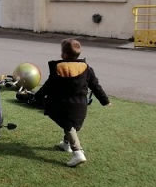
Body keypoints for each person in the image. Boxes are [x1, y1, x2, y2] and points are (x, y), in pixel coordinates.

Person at [33, 38, 111, 167]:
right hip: (80, 104)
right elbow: (95, 86)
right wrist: (105, 100)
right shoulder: (86, 68)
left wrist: (38, 96)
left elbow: (48, 86)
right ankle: (66, 144)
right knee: (72, 125)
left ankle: (78, 153)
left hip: (62, 104)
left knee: (68, 126)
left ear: (63, 54)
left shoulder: (59, 68)